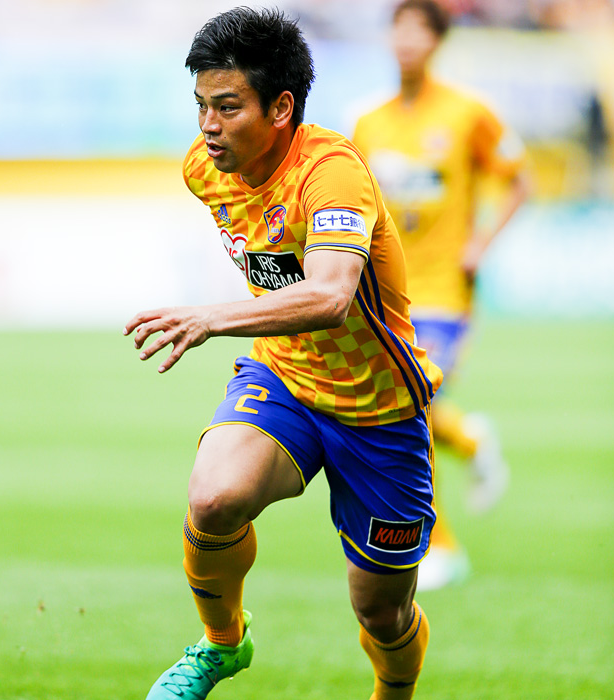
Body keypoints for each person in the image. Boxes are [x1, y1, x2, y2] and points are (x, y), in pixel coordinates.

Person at [124, 8, 442, 700]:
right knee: (214, 497)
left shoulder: (332, 173)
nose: (208, 126)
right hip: (285, 377)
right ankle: (221, 643)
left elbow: (329, 296)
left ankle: (394, 693)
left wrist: (210, 317)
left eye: (227, 107)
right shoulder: (206, 169)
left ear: (281, 108)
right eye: (201, 106)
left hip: (378, 406)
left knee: (381, 611)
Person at [353, 0, 529, 591]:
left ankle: (441, 548)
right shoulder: (368, 123)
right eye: (399, 29)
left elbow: (519, 181)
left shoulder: (467, 113)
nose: (407, 40)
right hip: (386, 294)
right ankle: (472, 439)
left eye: (420, 30)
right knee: (407, 411)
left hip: (446, 292)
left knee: (410, 411)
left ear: (438, 41)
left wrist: (481, 242)